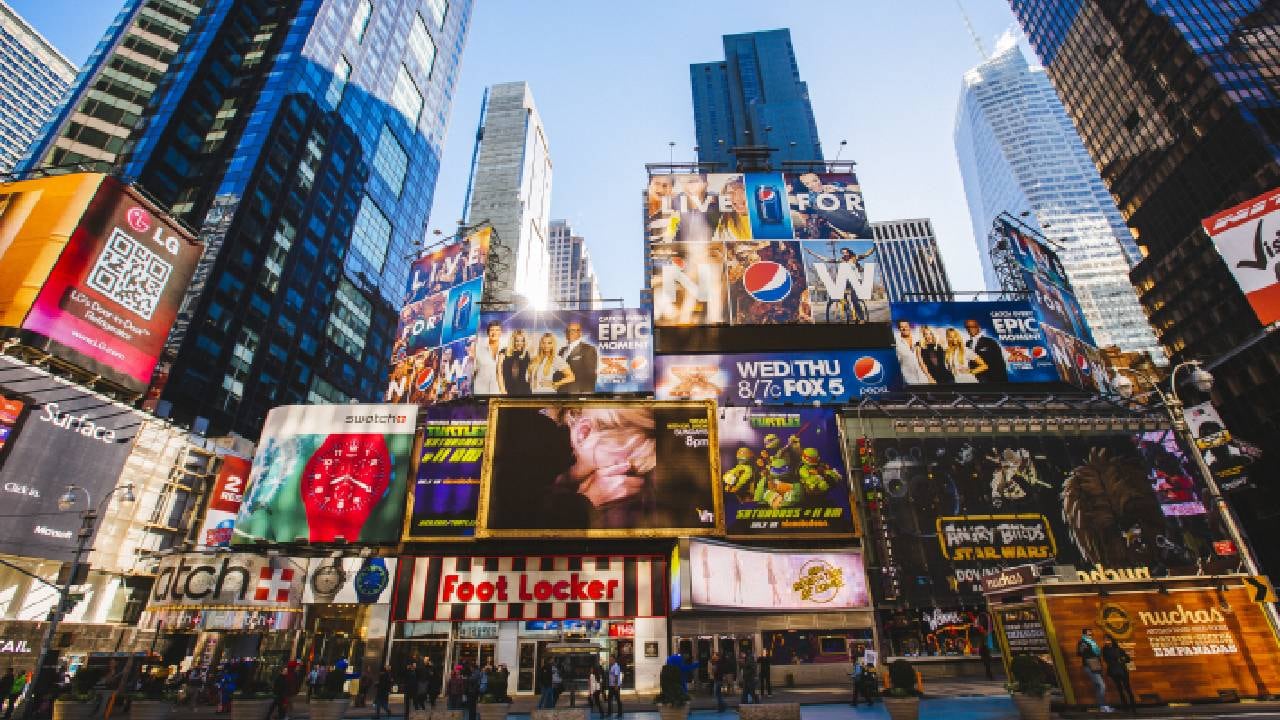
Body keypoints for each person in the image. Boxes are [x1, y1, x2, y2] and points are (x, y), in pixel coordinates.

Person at [558, 321, 598, 394]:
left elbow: (590, 375)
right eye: (568, 330)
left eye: (574, 330)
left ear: (580, 333)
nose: (570, 332)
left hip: (578, 395)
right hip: (562, 394)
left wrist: (586, 395)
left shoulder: (588, 349)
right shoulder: (562, 350)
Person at [1077, 628, 1112, 712]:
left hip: (1096, 665)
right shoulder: (1082, 642)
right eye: (1089, 634)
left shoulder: (1093, 643)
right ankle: (1103, 706)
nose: (1091, 636)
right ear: (1084, 635)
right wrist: (1083, 649)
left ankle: (1101, 706)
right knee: (1102, 685)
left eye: (1092, 634)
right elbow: (1080, 653)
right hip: (1089, 665)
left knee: (1098, 686)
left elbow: (1097, 653)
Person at [964, 318, 1008, 383]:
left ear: (978, 327)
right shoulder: (967, 344)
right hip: (975, 379)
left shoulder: (990, 342)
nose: (970, 329)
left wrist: (1001, 382)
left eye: (973, 326)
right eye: (968, 327)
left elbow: (999, 362)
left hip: (991, 379)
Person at [1102, 635, 1136, 714]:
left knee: (1128, 689)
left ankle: (1133, 707)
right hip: (1113, 671)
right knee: (1120, 689)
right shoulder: (1104, 649)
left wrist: (1121, 660)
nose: (1106, 641)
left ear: (1111, 640)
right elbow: (1106, 659)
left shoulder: (1118, 648)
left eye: (1107, 639)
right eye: (1105, 640)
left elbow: (1128, 658)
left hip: (1122, 670)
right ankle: (1125, 707)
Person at [895, 320, 931, 385]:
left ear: (909, 327)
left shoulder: (918, 339)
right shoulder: (897, 343)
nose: (904, 328)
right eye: (902, 327)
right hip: (908, 379)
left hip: (924, 377)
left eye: (906, 326)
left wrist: (929, 377)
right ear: (899, 329)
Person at [473, 322, 503, 395]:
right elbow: (473, 371)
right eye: (492, 330)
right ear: (487, 332)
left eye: (497, 330)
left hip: (498, 392)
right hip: (480, 391)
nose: (494, 333)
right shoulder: (478, 349)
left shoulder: (506, 349)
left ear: (501, 333)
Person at [499, 329, 531, 395]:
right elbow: (499, 373)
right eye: (517, 341)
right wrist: (502, 390)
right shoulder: (504, 352)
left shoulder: (526, 354)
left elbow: (529, 374)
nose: (520, 343)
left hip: (524, 390)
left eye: (522, 341)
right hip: (508, 390)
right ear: (513, 341)